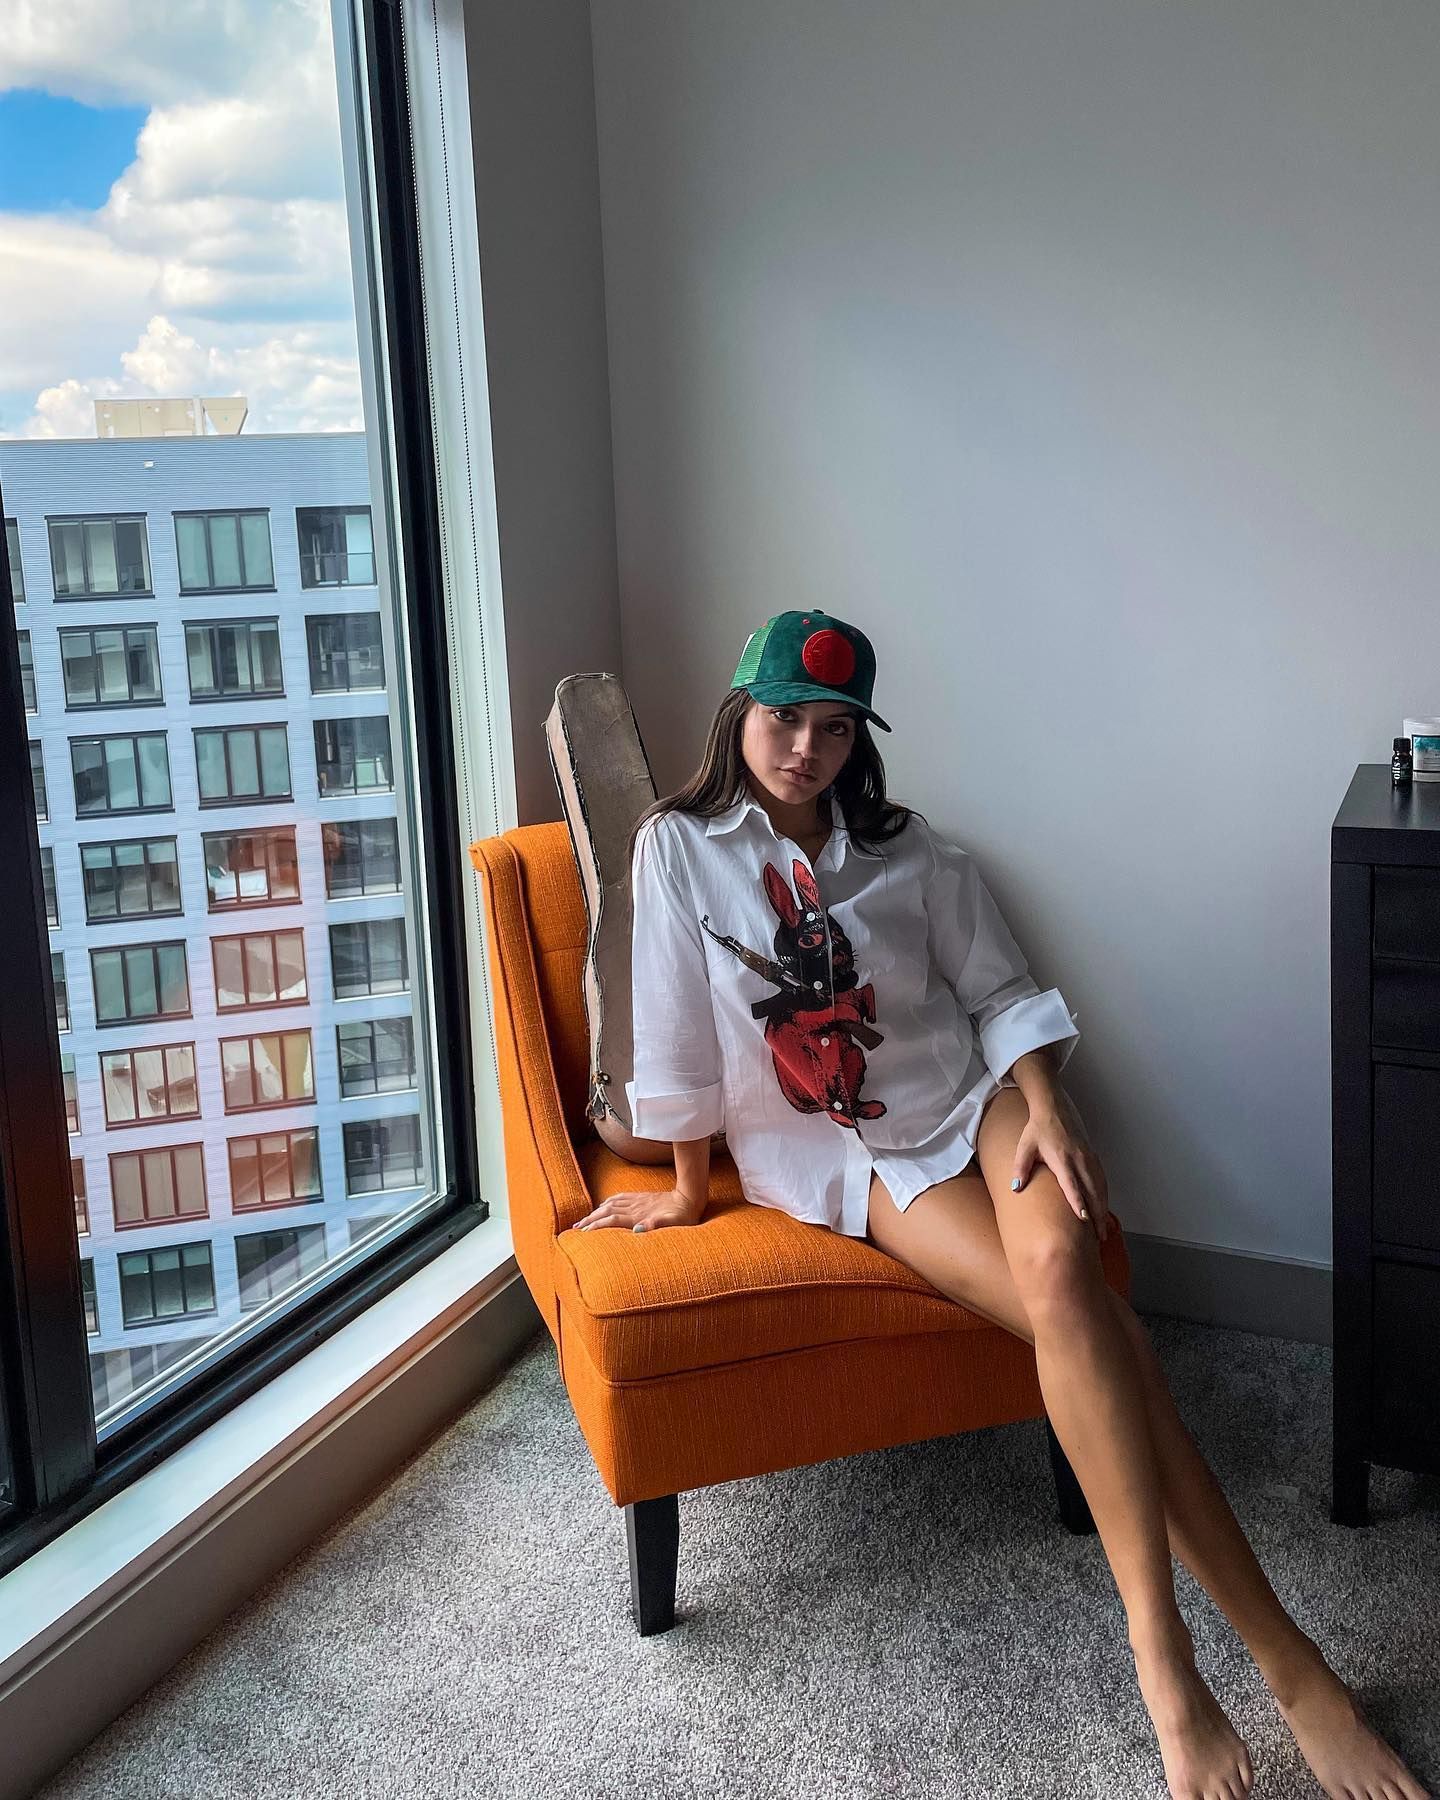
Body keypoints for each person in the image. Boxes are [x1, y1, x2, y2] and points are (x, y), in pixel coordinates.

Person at [573, 608, 1429, 1800]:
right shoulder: (679, 848)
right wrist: (682, 1189)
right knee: (1098, 1326)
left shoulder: (906, 848)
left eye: (834, 730)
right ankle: (1259, 1671)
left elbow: (1000, 991)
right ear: (739, 713)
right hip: (848, 1159)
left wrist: (1050, 1105)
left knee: (1066, 1272)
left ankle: (1185, 1665)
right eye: (785, 721)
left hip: (979, 1102)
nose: (806, 751)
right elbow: (673, 1030)